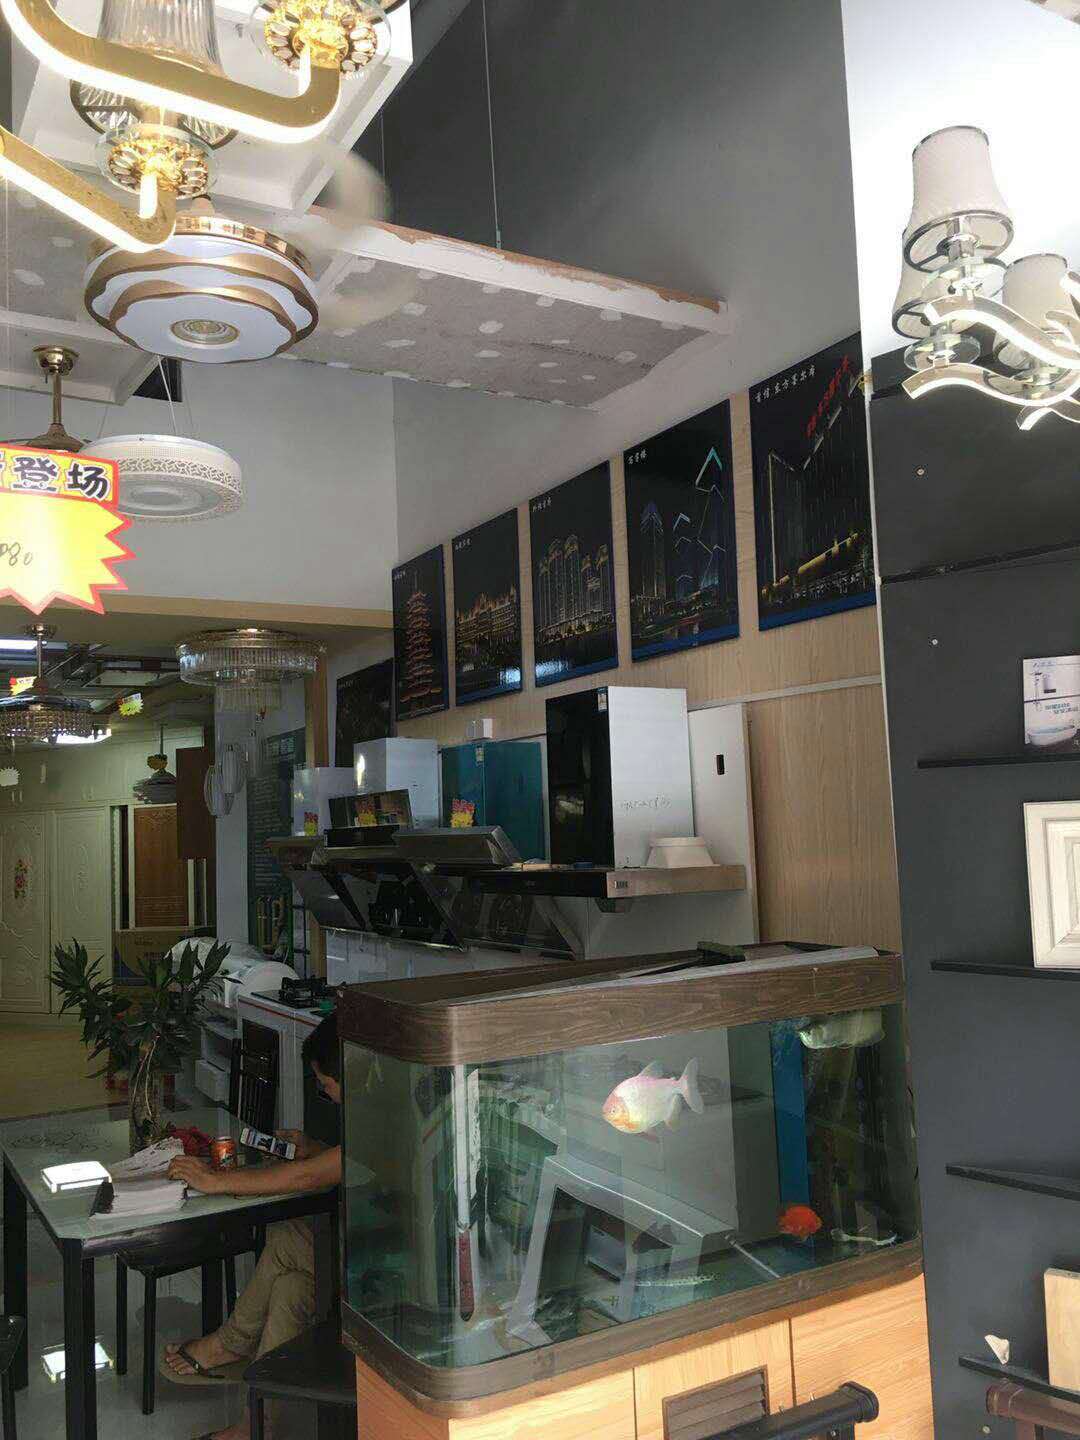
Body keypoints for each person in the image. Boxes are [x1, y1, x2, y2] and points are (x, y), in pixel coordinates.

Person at [160, 1011, 342, 1440]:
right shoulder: (373, 1102)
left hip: (377, 1269)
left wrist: (216, 1181)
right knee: (291, 1288)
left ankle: (231, 1343)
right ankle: (258, 1426)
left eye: (326, 1083)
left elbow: (306, 1178)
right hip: (356, 1249)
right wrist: (316, 1148)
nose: (325, 1093)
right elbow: (338, 1162)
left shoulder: (379, 1109)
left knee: (289, 1236)